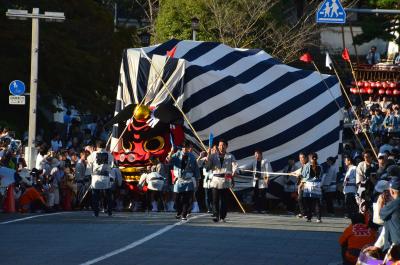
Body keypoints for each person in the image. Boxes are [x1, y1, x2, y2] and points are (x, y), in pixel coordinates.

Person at [207, 139, 237, 222]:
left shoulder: (230, 156)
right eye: (220, 145)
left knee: (224, 200)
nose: (221, 146)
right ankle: (216, 215)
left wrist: (234, 172)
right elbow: (208, 167)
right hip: (215, 180)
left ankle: (223, 216)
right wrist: (209, 156)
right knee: (215, 200)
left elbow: (235, 165)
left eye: (223, 145)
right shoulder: (213, 156)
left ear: (226, 146)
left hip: (226, 180)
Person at [169, 141, 200, 221]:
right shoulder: (177, 154)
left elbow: (196, 170)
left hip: (188, 181)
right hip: (179, 180)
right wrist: (171, 151)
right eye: (185, 147)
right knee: (177, 199)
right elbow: (169, 161)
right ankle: (179, 211)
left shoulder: (192, 157)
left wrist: (197, 180)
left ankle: (184, 214)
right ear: (182, 148)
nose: (187, 149)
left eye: (188, 147)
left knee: (187, 199)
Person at [87, 140, 114, 217]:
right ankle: (109, 212)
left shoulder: (93, 154)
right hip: (105, 177)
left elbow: (89, 164)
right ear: (105, 146)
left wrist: (88, 175)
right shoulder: (109, 155)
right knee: (108, 195)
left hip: (96, 177)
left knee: (95, 195)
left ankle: (96, 212)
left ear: (97, 147)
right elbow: (111, 166)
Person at [241, 148, 270, 213]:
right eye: (255, 154)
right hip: (256, 180)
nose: (256, 156)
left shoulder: (265, 161)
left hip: (263, 180)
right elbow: (247, 167)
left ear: (261, 154)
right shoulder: (254, 162)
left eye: (257, 154)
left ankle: (263, 209)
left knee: (263, 195)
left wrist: (267, 178)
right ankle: (256, 209)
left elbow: (268, 170)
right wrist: (240, 168)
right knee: (256, 195)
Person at [302, 152, 323, 222]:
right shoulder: (320, 166)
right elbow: (321, 175)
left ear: (310, 158)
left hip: (309, 185)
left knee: (308, 203)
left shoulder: (307, 165)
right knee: (317, 202)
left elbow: (303, 175)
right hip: (317, 185)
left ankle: (309, 217)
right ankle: (318, 218)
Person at [293, 152, 309, 218]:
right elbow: (299, 172)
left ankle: (305, 213)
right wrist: (293, 173)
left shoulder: (307, 165)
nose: (301, 159)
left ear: (305, 158)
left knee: (301, 199)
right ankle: (304, 213)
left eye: (302, 157)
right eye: (299, 158)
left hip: (306, 185)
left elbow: (306, 176)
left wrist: (299, 176)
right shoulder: (303, 166)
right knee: (301, 199)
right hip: (302, 185)